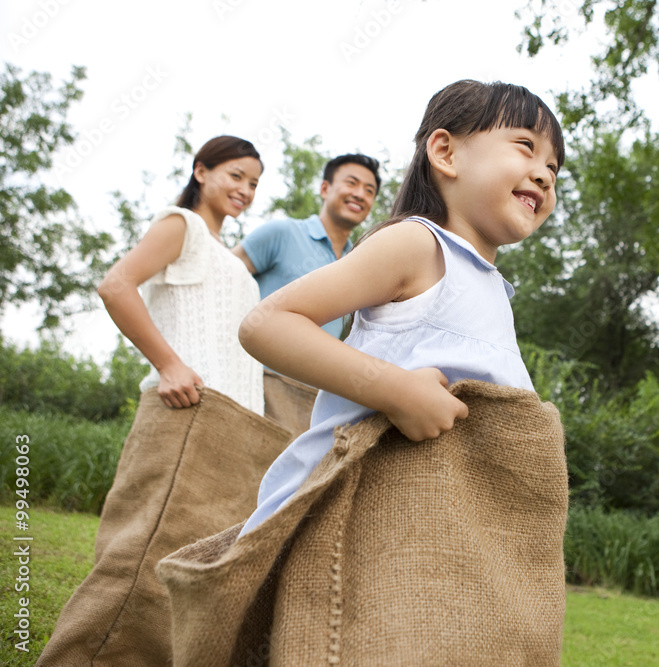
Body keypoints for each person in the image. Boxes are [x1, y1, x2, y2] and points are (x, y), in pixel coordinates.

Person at [236, 79, 564, 536]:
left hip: (426, 527)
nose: (545, 174)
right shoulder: (419, 244)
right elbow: (266, 324)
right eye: (525, 147)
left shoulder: (495, 291)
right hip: (344, 515)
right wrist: (398, 392)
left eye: (553, 166)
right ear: (446, 153)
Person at [38, 136, 292, 666]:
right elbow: (116, 286)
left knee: (189, 569)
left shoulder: (229, 257)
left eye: (254, 183)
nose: (245, 190)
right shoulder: (183, 226)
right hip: (186, 410)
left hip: (231, 425)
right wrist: (168, 364)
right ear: (202, 170)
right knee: (143, 561)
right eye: (236, 175)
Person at [232, 153, 381, 340]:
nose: (360, 195)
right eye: (351, 183)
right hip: (252, 367)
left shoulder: (356, 262)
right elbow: (220, 277)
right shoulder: (281, 233)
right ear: (325, 189)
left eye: (369, 191)